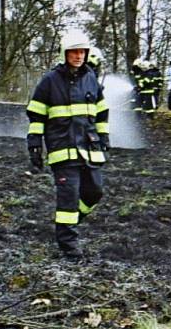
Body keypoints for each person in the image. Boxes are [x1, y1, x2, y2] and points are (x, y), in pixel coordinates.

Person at [26, 29, 110, 258]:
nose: (78, 56)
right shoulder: (49, 81)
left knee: (95, 193)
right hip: (62, 149)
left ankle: (68, 224)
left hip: (89, 149)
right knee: (69, 196)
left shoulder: (91, 78)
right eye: (74, 52)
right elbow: (36, 115)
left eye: (82, 51)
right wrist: (34, 145)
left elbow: (101, 112)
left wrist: (104, 138)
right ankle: (69, 246)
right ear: (65, 54)